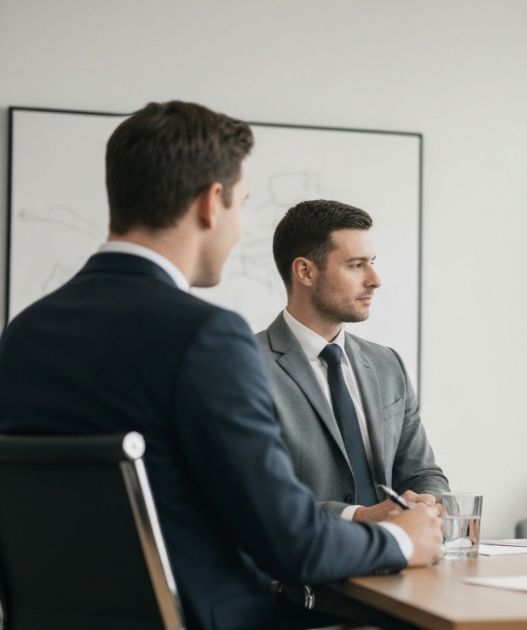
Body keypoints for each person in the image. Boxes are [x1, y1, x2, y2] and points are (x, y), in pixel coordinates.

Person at [0, 101, 443, 629]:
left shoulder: (23, 335)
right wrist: (402, 537)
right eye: (241, 205)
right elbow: (292, 544)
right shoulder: (206, 337)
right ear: (212, 203)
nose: (237, 229)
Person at [257, 199, 449, 522]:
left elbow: (423, 473)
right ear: (305, 271)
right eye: (356, 265)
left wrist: (426, 502)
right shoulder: (248, 366)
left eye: (372, 262)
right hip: (300, 569)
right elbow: (259, 497)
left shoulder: (388, 365)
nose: (375, 279)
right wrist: (358, 516)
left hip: (397, 562)